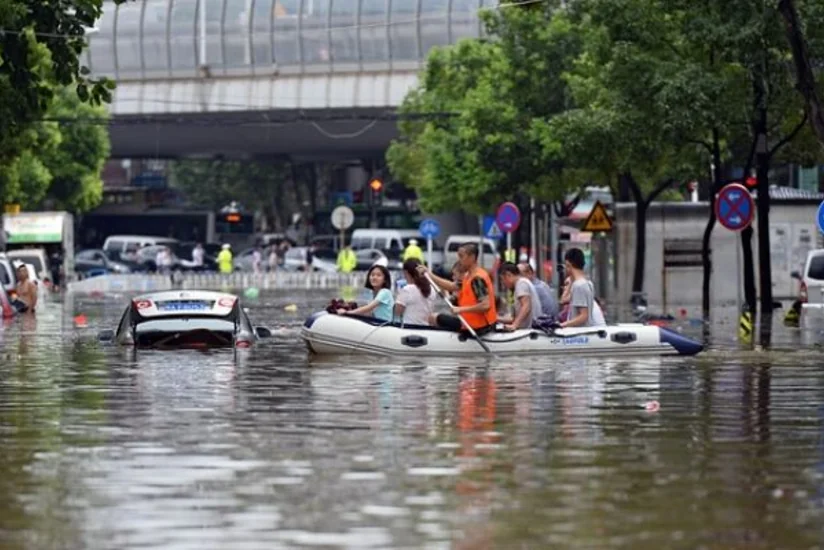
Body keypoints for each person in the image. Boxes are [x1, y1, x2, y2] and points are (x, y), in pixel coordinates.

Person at [418, 242, 497, 334]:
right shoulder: (468, 275)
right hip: (468, 323)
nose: (459, 260)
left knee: (433, 318)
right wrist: (429, 274)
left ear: (472, 257)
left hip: (479, 327)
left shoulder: (477, 278)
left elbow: (485, 305)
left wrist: (461, 309)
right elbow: (452, 286)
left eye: (461, 256)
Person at [559, 248, 606, 328]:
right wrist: (571, 281)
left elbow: (584, 316)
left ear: (568, 264)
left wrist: (562, 325)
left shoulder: (579, 286)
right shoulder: (588, 283)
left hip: (580, 334)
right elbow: (563, 300)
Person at [498, 262, 542, 331]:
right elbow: (513, 318)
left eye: (502, 279)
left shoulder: (521, 284)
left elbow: (526, 306)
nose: (503, 283)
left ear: (508, 275)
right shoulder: (522, 283)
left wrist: (514, 325)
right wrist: (496, 318)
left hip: (529, 332)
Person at [395, 259, 436, 325]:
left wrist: (399, 293)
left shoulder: (407, 289)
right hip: (427, 328)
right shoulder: (432, 289)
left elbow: (398, 312)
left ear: (406, 273)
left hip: (410, 328)